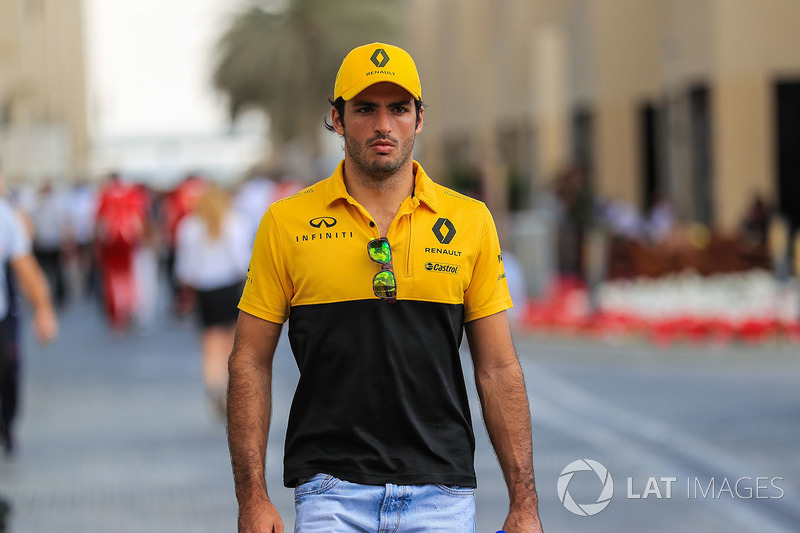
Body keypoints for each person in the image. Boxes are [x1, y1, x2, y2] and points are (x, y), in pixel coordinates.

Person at [227, 42, 543, 532]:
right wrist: (252, 498)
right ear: (336, 117)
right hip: (329, 492)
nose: (383, 125)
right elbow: (249, 360)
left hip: (442, 494)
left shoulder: (469, 221)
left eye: (399, 109)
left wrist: (525, 506)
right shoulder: (285, 223)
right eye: (365, 109)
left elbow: (498, 367)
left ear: (419, 119)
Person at [174, 185, 250, 416]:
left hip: (204, 290)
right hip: (228, 286)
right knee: (231, 343)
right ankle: (230, 389)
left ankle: (213, 386)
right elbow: (242, 261)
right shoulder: (234, 221)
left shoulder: (189, 226)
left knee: (209, 344)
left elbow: (184, 269)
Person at [0, 170, 59, 455]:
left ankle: (7, 425)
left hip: (2, 314)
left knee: (7, 372)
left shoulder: (5, 215)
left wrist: (44, 310)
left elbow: (26, 266)